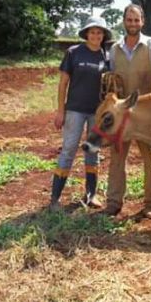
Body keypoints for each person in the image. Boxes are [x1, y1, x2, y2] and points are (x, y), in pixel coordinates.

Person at [104, 4, 151, 217]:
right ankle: (113, 202)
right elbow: (109, 77)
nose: (133, 24)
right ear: (123, 21)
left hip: (145, 114)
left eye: (136, 20)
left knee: (149, 157)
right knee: (117, 156)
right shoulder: (114, 49)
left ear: (142, 22)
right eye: (129, 20)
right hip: (120, 114)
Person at [49, 16, 111, 211]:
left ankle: (91, 195)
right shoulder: (74, 53)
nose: (96, 35)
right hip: (74, 110)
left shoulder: (106, 57)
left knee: (92, 151)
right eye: (92, 32)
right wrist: (61, 110)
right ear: (86, 34)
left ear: (103, 35)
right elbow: (63, 84)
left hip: (96, 113)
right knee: (68, 150)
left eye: (99, 32)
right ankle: (55, 199)